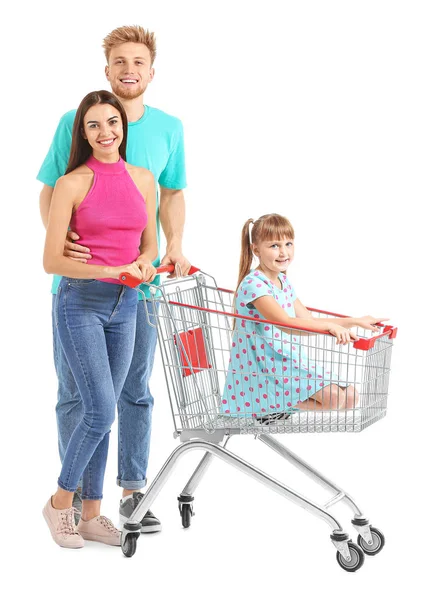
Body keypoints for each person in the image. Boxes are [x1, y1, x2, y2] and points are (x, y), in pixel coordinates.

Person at [37, 25, 190, 532]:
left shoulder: (167, 131)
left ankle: (126, 494)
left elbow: (170, 196)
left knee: (134, 391)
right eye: (119, 61)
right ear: (107, 70)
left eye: (138, 62)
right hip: (80, 289)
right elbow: (53, 191)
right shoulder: (74, 123)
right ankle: (76, 502)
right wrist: (64, 245)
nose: (129, 70)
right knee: (81, 399)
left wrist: (172, 249)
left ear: (151, 70)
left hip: (137, 291)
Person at [42, 90, 158, 548]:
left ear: (123, 127)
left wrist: (146, 263)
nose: (106, 132)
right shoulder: (71, 183)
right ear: (83, 133)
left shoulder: (143, 179)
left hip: (127, 305)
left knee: (105, 413)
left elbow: (149, 243)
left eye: (112, 122)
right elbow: (52, 260)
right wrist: (111, 269)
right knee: (99, 409)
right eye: (94, 125)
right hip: (81, 302)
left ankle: (91, 514)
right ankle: (58, 505)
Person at [222, 214, 387, 422]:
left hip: (288, 361)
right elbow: (286, 324)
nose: (283, 252)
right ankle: (265, 404)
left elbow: (308, 321)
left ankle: (276, 404)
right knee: (333, 398)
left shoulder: (283, 281)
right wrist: (331, 327)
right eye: (274, 245)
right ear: (256, 250)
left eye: (288, 244)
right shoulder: (254, 285)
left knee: (351, 397)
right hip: (264, 369)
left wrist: (354, 320)